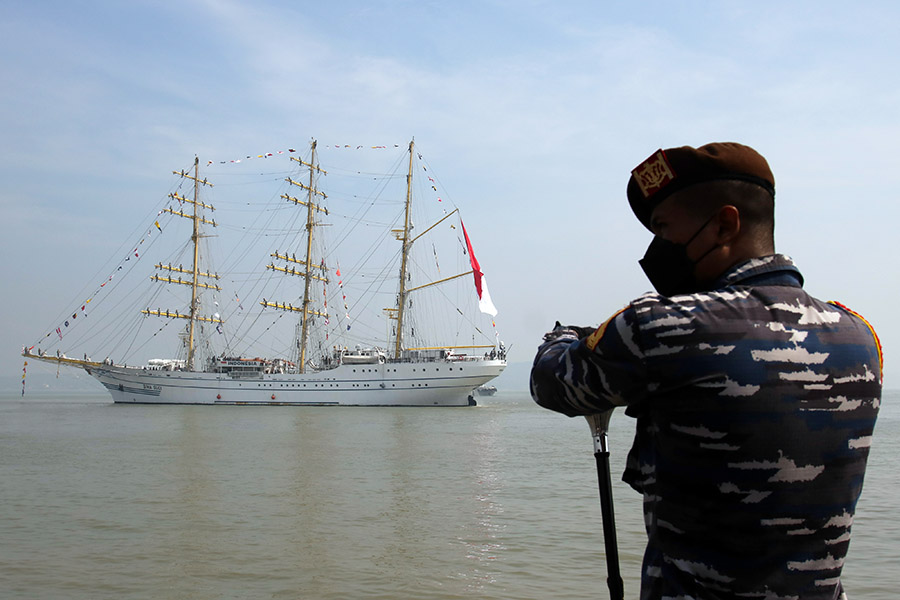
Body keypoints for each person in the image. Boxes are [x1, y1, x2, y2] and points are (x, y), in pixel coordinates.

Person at [530, 142, 882, 599]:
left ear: (724, 225)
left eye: (664, 228)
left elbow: (551, 383)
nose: (656, 249)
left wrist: (564, 337)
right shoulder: (860, 337)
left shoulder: (663, 326)